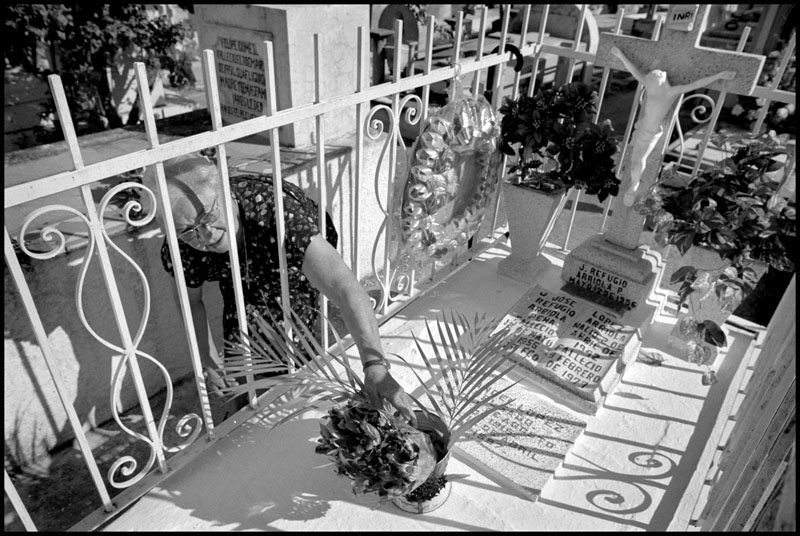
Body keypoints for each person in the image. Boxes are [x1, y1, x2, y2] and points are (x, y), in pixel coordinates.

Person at [144, 154, 417, 424]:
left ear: (225, 190)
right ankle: (247, 415)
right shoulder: (183, 245)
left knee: (298, 351)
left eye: (208, 216)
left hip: (290, 271)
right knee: (244, 365)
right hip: (240, 281)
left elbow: (344, 287)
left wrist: (376, 367)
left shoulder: (277, 214)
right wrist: (209, 360)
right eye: (187, 230)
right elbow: (190, 300)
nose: (205, 236)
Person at [610, 45, 737, 206]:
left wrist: (721, 75)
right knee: (632, 152)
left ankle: (634, 185)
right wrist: (620, 54)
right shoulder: (651, 85)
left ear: (661, 80)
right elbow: (634, 71)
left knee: (639, 160)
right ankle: (628, 175)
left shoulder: (671, 91)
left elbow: (697, 84)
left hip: (650, 131)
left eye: (653, 78)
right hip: (641, 126)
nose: (649, 81)